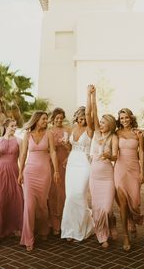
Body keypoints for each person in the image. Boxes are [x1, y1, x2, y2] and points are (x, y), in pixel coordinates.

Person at [18, 111, 60, 251]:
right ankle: (28, 238)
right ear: (36, 120)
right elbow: (23, 153)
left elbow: (53, 152)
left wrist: (56, 171)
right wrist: (20, 172)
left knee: (42, 205)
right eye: (43, 119)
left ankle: (43, 229)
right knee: (29, 206)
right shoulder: (27, 135)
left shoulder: (49, 134)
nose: (45, 121)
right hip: (29, 172)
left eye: (46, 119)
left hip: (44, 173)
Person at [61, 92, 94, 242]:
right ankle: (70, 229)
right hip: (72, 163)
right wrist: (65, 144)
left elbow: (89, 112)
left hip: (84, 164)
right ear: (76, 118)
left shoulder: (90, 130)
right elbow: (69, 147)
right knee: (70, 196)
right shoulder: (71, 129)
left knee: (80, 195)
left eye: (84, 118)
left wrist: (89, 95)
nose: (81, 121)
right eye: (79, 118)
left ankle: (82, 229)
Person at [89, 85, 118, 248]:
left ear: (110, 124)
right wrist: (93, 96)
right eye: (100, 122)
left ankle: (112, 220)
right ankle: (102, 235)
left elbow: (115, 156)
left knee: (106, 208)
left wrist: (109, 156)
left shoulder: (113, 137)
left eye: (103, 122)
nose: (100, 124)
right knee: (97, 207)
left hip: (107, 176)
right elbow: (93, 113)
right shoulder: (96, 134)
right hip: (95, 175)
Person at [0, 118, 24, 244]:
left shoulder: (19, 141)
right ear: (6, 127)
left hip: (13, 171)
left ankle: (17, 227)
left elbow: (22, 160)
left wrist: (22, 173)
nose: (14, 128)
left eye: (15, 126)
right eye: (12, 126)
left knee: (16, 199)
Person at [114, 108, 144, 251]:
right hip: (120, 169)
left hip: (134, 169)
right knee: (123, 203)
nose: (124, 120)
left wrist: (142, 172)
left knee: (135, 202)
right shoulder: (117, 133)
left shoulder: (138, 133)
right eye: (121, 118)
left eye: (126, 117)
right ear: (119, 120)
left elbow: (142, 154)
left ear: (131, 118)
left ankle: (133, 218)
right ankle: (125, 236)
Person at [48, 108, 71, 235]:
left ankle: (63, 221)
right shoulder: (48, 131)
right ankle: (52, 222)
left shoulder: (67, 130)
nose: (59, 120)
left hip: (63, 162)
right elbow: (47, 149)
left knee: (62, 192)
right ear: (53, 118)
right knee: (52, 192)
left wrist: (65, 145)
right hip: (51, 163)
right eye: (57, 118)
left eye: (61, 118)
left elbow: (71, 148)